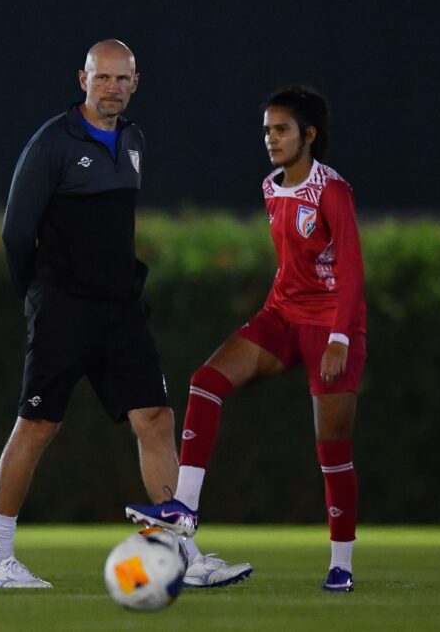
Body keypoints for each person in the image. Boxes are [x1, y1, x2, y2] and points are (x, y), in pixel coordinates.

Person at [0, 39, 251, 589]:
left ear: (136, 83)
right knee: (37, 426)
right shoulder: (53, 142)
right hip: (63, 307)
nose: (113, 88)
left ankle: (184, 554)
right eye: (103, 77)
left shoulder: (134, 140)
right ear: (83, 80)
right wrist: (37, 296)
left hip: (120, 309)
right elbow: (14, 232)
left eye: (123, 79)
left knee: (157, 419)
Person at [126, 86, 366, 593]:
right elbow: (292, 265)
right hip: (281, 316)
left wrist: (341, 338)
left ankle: (341, 564)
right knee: (205, 382)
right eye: (266, 131)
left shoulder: (333, 191)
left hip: (331, 326)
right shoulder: (270, 187)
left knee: (332, 449)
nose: (271, 139)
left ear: (309, 135)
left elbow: (351, 271)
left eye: (281, 129)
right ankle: (184, 509)